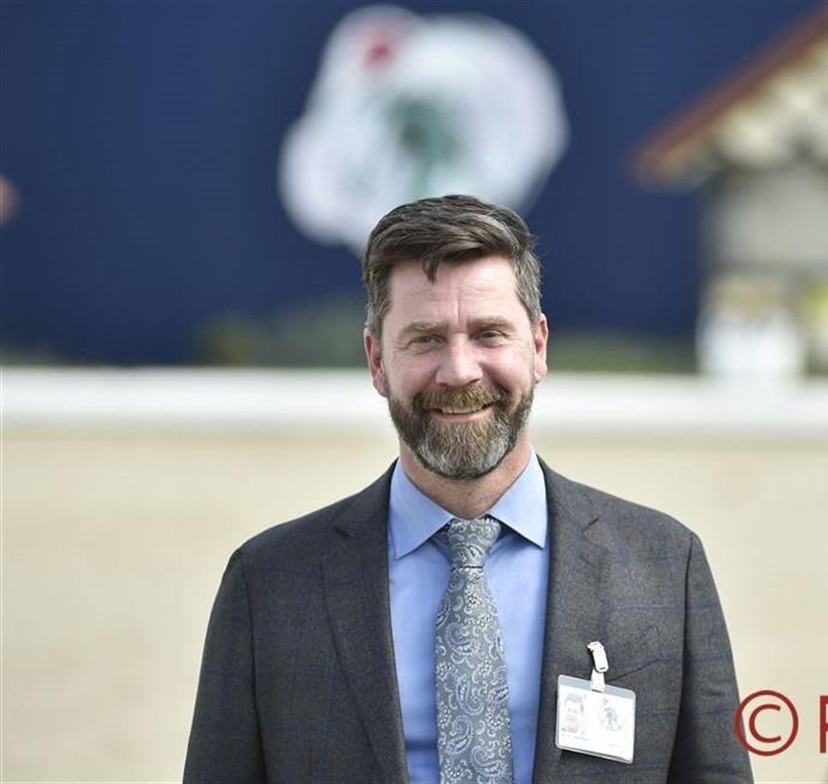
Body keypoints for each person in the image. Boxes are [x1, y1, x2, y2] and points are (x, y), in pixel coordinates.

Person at [183, 194, 752, 783]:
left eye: (489, 334)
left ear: (538, 347)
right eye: (425, 338)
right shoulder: (269, 585)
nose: (459, 371)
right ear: (376, 360)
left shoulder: (665, 567)